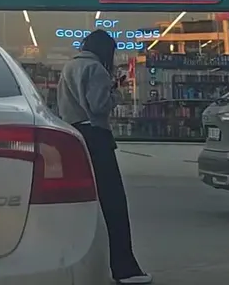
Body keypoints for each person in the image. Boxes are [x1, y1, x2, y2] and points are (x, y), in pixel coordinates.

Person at [57, 30, 151, 285]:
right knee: (114, 203)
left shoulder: (70, 66)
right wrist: (115, 92)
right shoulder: (96, 69)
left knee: (80, 202)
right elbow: (99, 106)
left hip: (75, 135)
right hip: (96, 136)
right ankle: (125, 268)